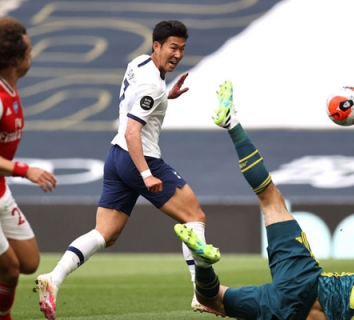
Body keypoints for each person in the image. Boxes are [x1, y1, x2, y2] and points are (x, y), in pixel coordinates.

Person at [174, 80, 354, 320]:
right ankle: (202, 265)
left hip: (304, 280)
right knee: (212, 300)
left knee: (270, 199)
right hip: (285, 312)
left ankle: (232, 124)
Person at [35, 20, 221, 320]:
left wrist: (165, 97)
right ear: (157, 45)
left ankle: (53, 279)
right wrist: (146, 173)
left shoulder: (140, 64)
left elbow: (139, 102)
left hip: (115, 156)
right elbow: (135, 130)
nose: (178, 55)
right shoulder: (152, 85)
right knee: (195, 217)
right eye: (173, 47)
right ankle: (202, 294)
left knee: (105, 234)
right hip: (139, 158)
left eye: (182, 49)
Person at [0, 17, 57, 320]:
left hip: (0, 193)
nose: (32, 58)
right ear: (17, 59)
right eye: (30, 52)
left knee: (28, 261)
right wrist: (25, 170)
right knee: (9, 268)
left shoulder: (10, 88)